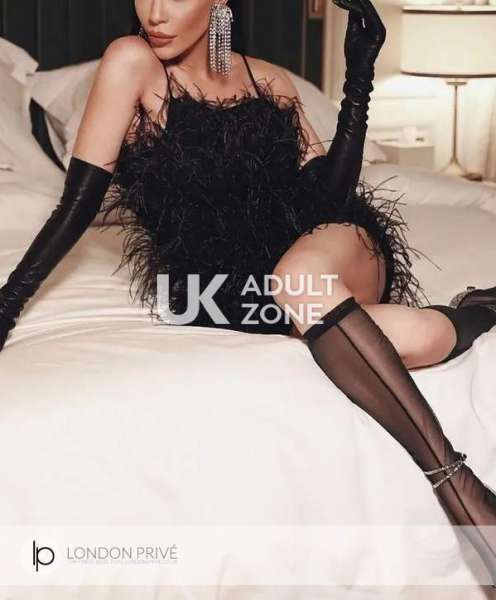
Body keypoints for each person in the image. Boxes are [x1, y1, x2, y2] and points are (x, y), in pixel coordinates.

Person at [0, 0, 495, 586]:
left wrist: (358, 80)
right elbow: (76, 207)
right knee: (417, 334)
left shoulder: (270, 81)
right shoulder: (131, 63)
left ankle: (460, 488)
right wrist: (6, 306)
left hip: (330, 251)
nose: (155, 12)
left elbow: (329, 202)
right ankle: (476, 310)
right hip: (221, 294)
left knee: (300, 278)